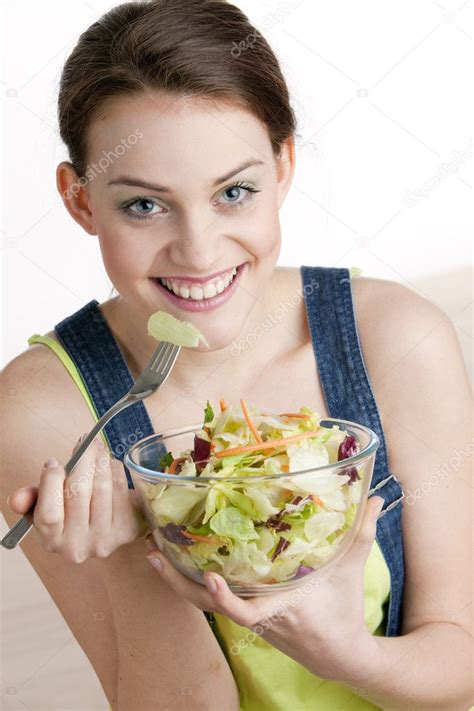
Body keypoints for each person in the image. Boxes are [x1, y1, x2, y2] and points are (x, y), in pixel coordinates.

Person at [1, 1, 471, 710]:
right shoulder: (49, 410)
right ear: (80, 199)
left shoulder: (396, 341)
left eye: (234, 192)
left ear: (282, 167)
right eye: (144, 205)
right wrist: (135, 543)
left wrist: (347, 653)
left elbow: (460, 662)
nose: (199, 252)